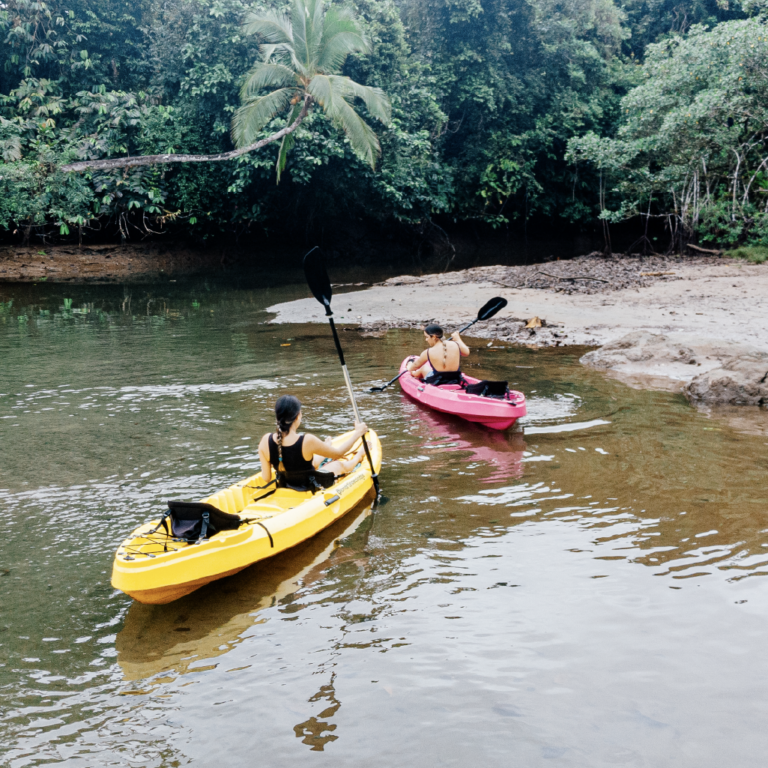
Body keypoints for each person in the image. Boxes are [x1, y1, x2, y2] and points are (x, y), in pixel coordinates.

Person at [258, 395, 367, 485]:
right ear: (298, 416)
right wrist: (357, 433)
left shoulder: (265, 440)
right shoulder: (308, 441)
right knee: (338, 465)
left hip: (286, 485)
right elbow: (338, 454)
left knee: (310, 461)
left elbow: (267, 478)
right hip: (310, 487)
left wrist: (325, 447)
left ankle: (325, 447)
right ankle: (358, 456)